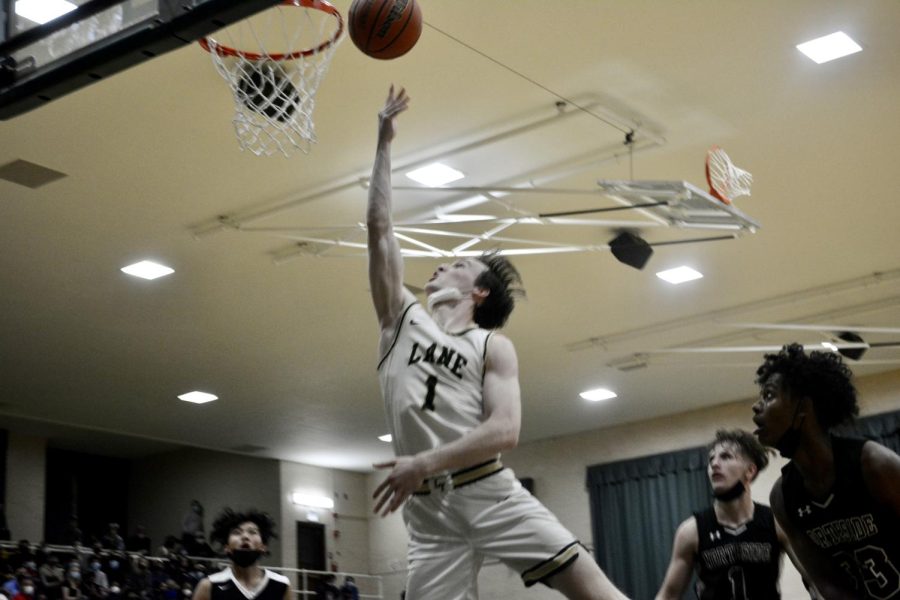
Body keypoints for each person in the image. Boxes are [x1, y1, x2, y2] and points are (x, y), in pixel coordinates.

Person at [366, 85, 628, 600]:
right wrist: (383, 142)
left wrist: (425, 461)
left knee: (597, 592)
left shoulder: (492, 346)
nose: (442, 263)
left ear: (479, 292)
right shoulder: (400, 320)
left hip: (486, 488)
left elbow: (505, 430)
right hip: (428, 512)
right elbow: (379, 227)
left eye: (460, 264)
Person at [752, 343, 900, 599]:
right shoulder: (783, 497)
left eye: (769, 395)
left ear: (803, 408)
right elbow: (828, 584)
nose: (756, 406)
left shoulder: (874, 464)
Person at [656, 429, 807, 600]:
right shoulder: (691, 531)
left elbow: (816, 578)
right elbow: (668, 596)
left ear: (750, 471)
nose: (714, 464)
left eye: (726, 457)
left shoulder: (776, 522)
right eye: (711, 459)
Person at [190, 509, 289, 600]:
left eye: (252, 532)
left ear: (263, 546)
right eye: (236, 532)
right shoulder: (208, 585)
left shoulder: (281, 585)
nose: (245, 536)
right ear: (227, 547)